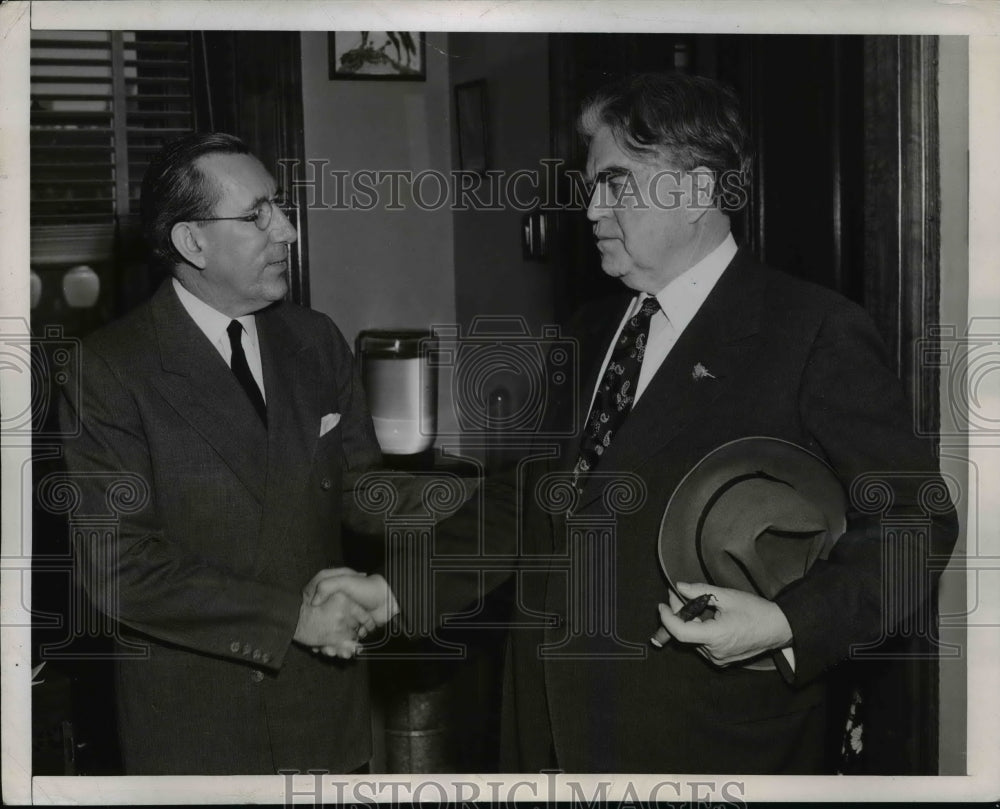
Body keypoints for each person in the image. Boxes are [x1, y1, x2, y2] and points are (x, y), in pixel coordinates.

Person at [492, 73, 959, 774]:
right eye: (592, 186)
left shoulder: (812, 332)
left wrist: (786, 623)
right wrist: (393, 585)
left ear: (697, 193)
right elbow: (528, 503)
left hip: (716, 744)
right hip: (551, 737)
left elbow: (916, 521)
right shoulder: (587, 332)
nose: (591, 209)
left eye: (616, 183)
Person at [58, 132, 512, 775]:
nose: (289, 231)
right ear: (192, 243)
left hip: (323, 707)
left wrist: (484, 498)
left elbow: (359, 492)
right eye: (257, 216)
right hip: (200, 725)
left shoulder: (315, 338)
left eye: (280, 207)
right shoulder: (107, 370)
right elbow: (118, 569)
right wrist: (291, 619)